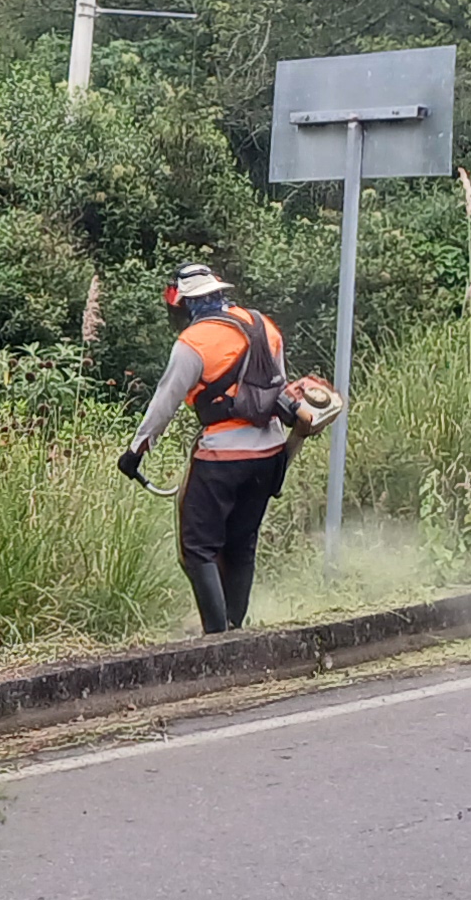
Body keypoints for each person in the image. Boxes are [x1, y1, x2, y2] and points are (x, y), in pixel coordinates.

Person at [117, 264, 334, 635]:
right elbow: (279, 387)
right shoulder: (263, 325)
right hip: (269, 455)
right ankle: (234, 630)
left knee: (197, 549)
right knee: (240, 546)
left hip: (221, 458)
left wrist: (135, 450)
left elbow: (165, 402)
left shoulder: (193, 342)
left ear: (185, 303)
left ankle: (216, 637)